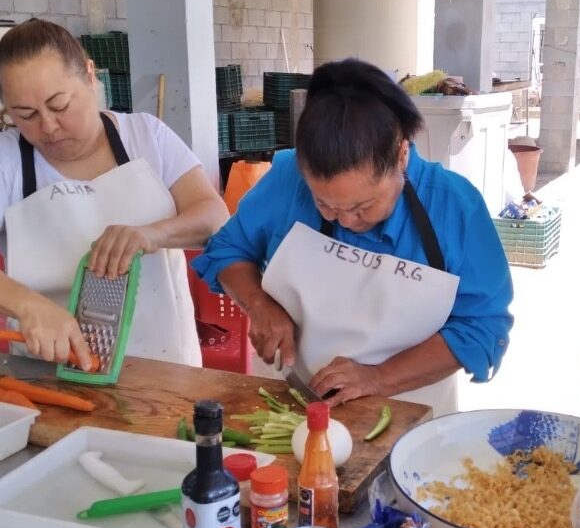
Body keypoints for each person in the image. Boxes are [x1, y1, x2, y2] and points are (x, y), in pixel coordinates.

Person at [193, 59, 513, 415]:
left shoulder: (454, 205)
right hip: (297, 406)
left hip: (414, 416)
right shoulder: (287, 179)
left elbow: (480, 326)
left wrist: (378, 377)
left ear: (401, 155)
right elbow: (229, 249)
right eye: (324, 204)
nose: (345, 220)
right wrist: (259, 304)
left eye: (363, 206)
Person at [0, 19, 229, 369]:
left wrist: (152, 234)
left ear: (89, 75)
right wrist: (28, 306)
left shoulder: (148, 136)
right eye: (25, 115)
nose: (48, 127)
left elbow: (214, 217)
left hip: (165, 364)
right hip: (48, 370)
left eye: (59, 105)